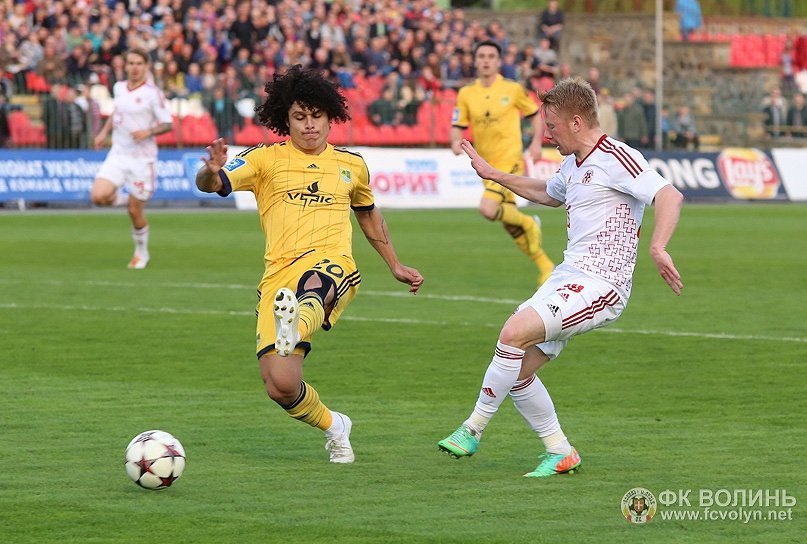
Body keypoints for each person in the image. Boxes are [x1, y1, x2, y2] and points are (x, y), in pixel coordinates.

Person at [437, 77, 683, 477]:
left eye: (551, 126)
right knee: (517, 370)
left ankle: (472, 428)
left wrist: (658, 247)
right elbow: (549, 193)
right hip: (568, 277)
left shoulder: (618, 157)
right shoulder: (572, 163)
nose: (547, 135)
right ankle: (560, 451)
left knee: (512, 333)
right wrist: (494, 174)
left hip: (603, 284)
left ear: (576, 122)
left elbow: (669, 195)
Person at [195, 65, 424, 464]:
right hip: (278, 276)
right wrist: (210, 171)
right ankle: (335, 425)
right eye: (299, 116)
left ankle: (296, 322)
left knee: (312, 288)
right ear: (285, 120)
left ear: (330, 117)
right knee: (280, 384)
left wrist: (394, 264)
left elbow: (368, 215)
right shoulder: (264, 160)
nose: (309, 124)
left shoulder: (352, 165)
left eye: (316, 115)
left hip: (333, 264)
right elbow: (213, 185)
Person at [451, 40, 555, 286]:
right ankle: (545, 265)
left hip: (509, 160)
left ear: (498, 61)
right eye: (481, 56)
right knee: (510, 224)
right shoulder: (466, 93)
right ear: (475, 61)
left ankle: (529, 222)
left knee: (488, 209)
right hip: (485, 166)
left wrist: (536, 143)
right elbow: (457, 124)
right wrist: (455, 141)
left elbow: (534, 115)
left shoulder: (513, 89)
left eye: (491, 56)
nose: (486, 60)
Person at [90, 48, 173, 269]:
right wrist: (103, 133)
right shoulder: (119, 87)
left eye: (139, 63)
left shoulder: (153, 93)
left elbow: (168, 124)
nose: (134, 68)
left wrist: (148, 132)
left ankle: (141, 253)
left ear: (146, 66)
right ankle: (126, 200)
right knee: (98, 196)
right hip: (118, 154)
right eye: (131, 63)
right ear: (125, 65)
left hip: (142, 160)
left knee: (135, 212)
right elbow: (117, 112)